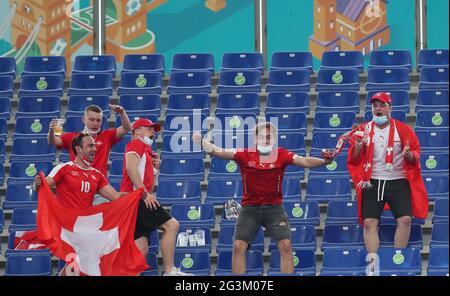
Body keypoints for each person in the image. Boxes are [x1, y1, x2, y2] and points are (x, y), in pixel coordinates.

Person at [192, 122, 334, 274]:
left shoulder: (282, 154)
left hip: (274, 208)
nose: (265, 140)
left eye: (268, 137)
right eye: (261, 137)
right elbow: (218, 151)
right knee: (238, 246)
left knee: (286, 245)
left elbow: (305, 161)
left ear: (274, 139)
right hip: (250, 209)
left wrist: (324, 162)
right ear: (255, 139)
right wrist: (201, 142)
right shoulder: (244, 154)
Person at [347, 92, 428, 273]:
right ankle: (373, 266)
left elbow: (416, 155)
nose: (378, 109)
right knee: (369, 222)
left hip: (397, 180)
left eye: (382, 105)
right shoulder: (363, 129)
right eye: (375, 106)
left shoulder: (403, 129)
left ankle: (397, 259)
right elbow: (354, 157)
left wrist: (409, 155)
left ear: (390, 108)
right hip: (372, 181)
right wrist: (359, 145)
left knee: (406, 219)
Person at [120, 118, 191, 276]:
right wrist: (144, 193)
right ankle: (169, 270)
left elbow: (144, 180)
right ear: (137, 131)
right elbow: (131, 168)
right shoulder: (136, 144)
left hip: (133, 200)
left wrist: (154, 169)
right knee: (172, 226)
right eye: (149, 129)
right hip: (136, 198)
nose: (153, 132)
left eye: (154, 130)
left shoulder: (146, 151)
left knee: (141, 248)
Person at [47, 104, 133, 176]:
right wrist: (51, 131)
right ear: (84, 120)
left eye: (98, 120)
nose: (95, 123)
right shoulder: (73, 137)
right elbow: (53, 141)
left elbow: (127, 128)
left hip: (100, 188)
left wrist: (122, 113)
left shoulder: (107, 136)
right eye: (91, 120)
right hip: (78, 185)